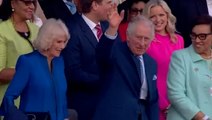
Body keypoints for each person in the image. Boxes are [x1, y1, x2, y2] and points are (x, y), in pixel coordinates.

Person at [92, 4, 159, 120]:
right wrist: (112, 28)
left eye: (146, 38)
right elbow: (102, 54)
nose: (142, 43)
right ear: (128, 36)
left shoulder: (151, 63)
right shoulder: (116, 52)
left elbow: (152, 99)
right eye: (138, 37)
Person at [0, 18, 70, 120]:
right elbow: (9, 97)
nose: (62, 46)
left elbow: (61, 97)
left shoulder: (59, 62)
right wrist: (20, 118)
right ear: (47, 40)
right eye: (59, 42)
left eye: (64, 42)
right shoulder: (28, 62)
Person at [61, 0, 111, 119]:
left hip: (107, 103)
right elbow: (72, 71)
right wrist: (104, 81)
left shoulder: (107, 26)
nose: (112, 6)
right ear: (95, 5)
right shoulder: (71, 28)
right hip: (84, 105)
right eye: (108, 2)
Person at [142, 0, 184, 119]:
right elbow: (146, 76)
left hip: (179, 101)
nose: (158, 19)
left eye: (161, 15)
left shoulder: (179, 39)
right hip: (156, 102)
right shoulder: (146, 42)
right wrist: (163, 103)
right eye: (152, 16)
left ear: (167, 16)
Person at [167, 15, 212, 120]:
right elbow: (175, 95)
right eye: (193, 35)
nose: (196, 40)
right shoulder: (180, 57)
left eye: (202, 36)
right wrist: (203, 118)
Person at [0, 0, 39, 109]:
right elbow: (0, 72)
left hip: (36, 101)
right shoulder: (2, 31)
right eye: (27, 2)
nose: (31, 7)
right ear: (12, 3)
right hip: (12, 103)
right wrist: (29, 71)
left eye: (33, 3)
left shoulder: (37, 30)